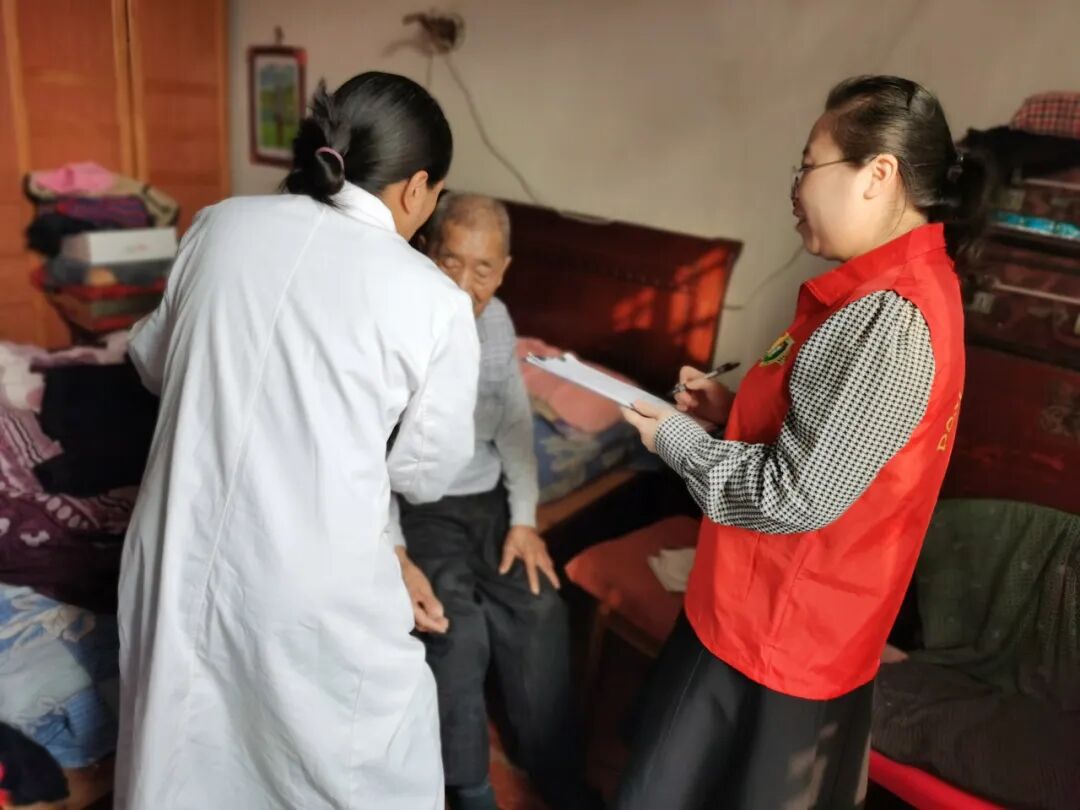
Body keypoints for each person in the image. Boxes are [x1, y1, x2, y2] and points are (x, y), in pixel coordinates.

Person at [617, 75, 993, 809]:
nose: (796, 189)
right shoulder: (880, 291)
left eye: (809, 165)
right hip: (761, 614)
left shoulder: (889, 317)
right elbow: (830, 439)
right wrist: (728, 412)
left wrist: (676, 440)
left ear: (877, 175)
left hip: (779, 637)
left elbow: (795, 493)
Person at [115, 73, 480, 810]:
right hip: (308, 586)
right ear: (417, 188)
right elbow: (424, 472)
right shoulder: (433, 300)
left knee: (180, 756)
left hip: (177, 548)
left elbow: (150, 360)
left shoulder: (220, 224)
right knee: (345, 770)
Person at [391, 193, 601, 810]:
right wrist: (394, 551)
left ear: (504, 270)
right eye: (450, 261)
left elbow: (513, 429)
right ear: (427, 252)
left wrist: (524, 522)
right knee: (456, 629)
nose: (464, 285)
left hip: (484, 499)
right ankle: (468, 787)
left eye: (482, 269)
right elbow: (366, 455)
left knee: (540, 606)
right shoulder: (398, 321)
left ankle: (555, 772)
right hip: (417, 503)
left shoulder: (498, 321)